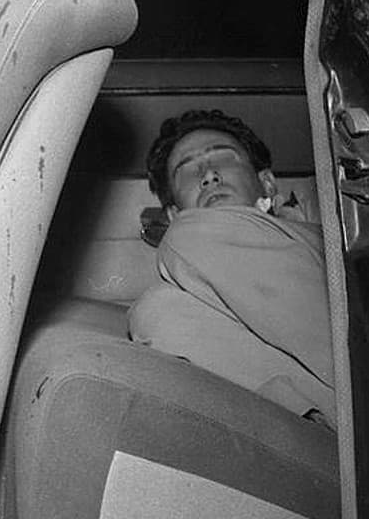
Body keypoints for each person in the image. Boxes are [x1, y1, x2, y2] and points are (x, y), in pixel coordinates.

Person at [127, 108, 337, 425]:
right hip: (333, 426)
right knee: (155, 312)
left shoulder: (326, 244)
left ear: (267, 183)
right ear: (173, 213)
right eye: (188, 171)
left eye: (224, 159)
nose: (209, 175)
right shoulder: (181, 298)